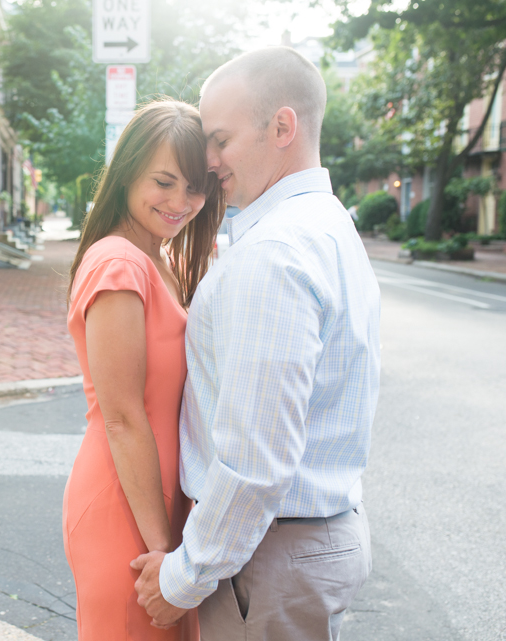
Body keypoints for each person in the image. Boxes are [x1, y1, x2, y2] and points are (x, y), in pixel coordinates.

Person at [132, 46, 381, 640]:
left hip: (269, 561)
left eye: (220, 139)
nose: (209, 161)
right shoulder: (328, 223)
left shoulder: (275, 251)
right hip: (299, 544)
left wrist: (182, 578)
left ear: (282, 127)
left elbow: (255, 461)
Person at [64, 99, 225, 640]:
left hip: (161, 504)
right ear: (128, 172)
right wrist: (163, 550)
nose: (181, 202)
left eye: (196, 186)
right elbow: (123, 417)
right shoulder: (119, 263)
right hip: (127, 511)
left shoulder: (160, 258)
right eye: (164, 181)